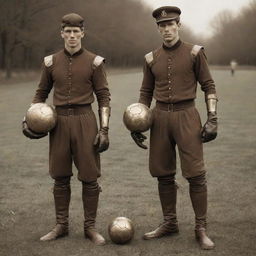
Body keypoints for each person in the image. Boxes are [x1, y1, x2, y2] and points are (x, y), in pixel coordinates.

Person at [131, 6, 217, 250]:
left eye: (171, 24)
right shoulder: (151, 58)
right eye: (162, 26)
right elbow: (146, 93)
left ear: (179, 25)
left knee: (195, 174)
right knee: (163, 172)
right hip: (159, 118)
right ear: (158, 29)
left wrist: (213, 117)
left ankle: (201, 228)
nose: (167, 29)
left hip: (187, 115)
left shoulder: (195, 52)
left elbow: (208, 85)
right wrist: (138, 120)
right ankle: (170, 223)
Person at [22, 13, 110, 246]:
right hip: (58, 122)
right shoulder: (50, 62)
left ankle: (90, 227)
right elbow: (40, 94)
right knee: (60, 176)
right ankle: (61, 225)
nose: (72, 36)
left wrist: (104, 129)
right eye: (67, 32)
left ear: (83, 33)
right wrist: (28, 118)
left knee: (89, 177)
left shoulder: (95, 62)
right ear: (62, 33)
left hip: (85, 120)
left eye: (76, 31)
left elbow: (103, 97)